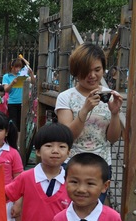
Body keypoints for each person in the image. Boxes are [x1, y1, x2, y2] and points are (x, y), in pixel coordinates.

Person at [55, 43, 123, 203]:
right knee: (69, 213)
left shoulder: (110, 96)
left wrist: (115, 113)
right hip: (72, 164)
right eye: (86, 71)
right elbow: (66, 137)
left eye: (97, 70)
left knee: (94, 216)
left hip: (101, 165)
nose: (92, 75)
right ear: (76, 72)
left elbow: (112, 138)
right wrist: (84, 110)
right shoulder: (66, 97)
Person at [2, 58, 36, 132]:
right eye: (16, 67)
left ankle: (20, 141)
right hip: (12, 102)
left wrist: (31, 73)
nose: (17, 69)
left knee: (22, 123)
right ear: (12, 66)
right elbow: (6, 89)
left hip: (23, 102)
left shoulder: (22, 75)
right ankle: (14, 139)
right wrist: (12, 83)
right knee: (13, 124)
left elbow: (33, 82)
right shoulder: (6, 76)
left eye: (19, 67)